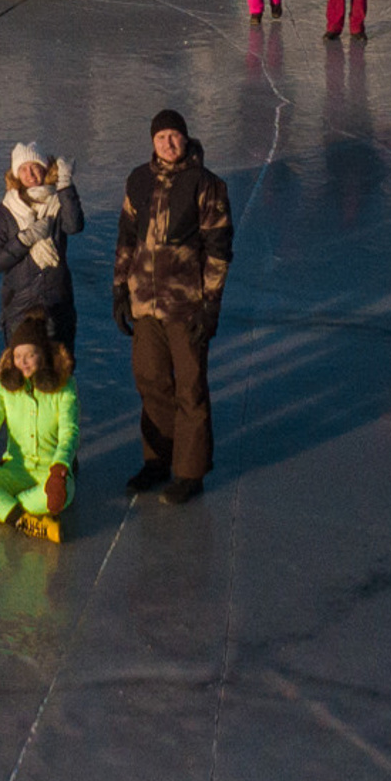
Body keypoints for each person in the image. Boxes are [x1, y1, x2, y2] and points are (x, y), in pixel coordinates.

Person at [114, 108, 233, 505]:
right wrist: (119, 290)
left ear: (186, 139)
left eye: (175, 136)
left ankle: (189, 471)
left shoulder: (206, 185)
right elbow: (127, 238)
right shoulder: (138, 180)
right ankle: (158, 459)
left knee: (190, 388)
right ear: (152, 141)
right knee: (150, 380)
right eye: (161, 136)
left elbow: (218, 251)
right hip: (145, 304)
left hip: (186, 307)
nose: (168, 143)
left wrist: (210, 306)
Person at [0, 313, 80, 544]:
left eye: (29, 355)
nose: (22, 362)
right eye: (17, 355)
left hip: (49, 475)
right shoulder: (5, 388)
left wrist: (59, 470)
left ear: (42, 355)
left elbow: (69, 434)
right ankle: (29, 522)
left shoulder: (65, 387)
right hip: (14, 472)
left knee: (61, 496)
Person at [0, 143, 85, 354]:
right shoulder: (8, 208)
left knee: (58, 369)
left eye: (35, 167)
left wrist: (66, 184)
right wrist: (25, 239)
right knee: (22, 369)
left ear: (45, 169)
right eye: (23, 169)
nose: (30, 174)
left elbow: (74, 226)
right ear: (16, 174)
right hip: (19, 303)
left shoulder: (58, 200)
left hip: (56, 300)